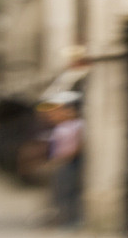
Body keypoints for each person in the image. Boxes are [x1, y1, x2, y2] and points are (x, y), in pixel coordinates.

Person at [38, 90, 85, 227]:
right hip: (62, 163)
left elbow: (78, 145)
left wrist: (65, 157)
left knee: (70, 192)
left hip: (70, 163)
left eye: (57, 110)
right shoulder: (61, 127)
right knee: (61, 192)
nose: (52, 115)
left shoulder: (77, 125)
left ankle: (72, 221)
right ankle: (63, 218)